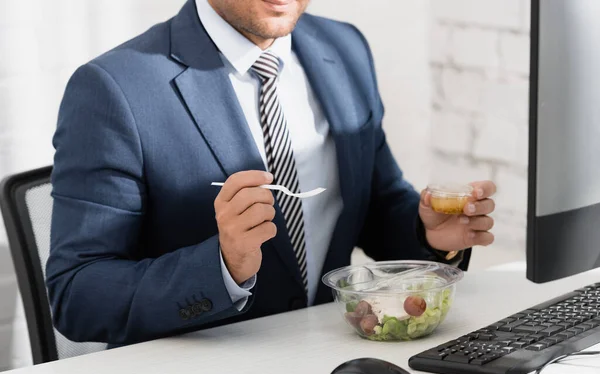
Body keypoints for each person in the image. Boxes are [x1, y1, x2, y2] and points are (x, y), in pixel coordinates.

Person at [47, 0, 496, 346]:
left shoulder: (345, 48)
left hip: (329, 358)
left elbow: (375, 204)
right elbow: (76, 294)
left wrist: (426, 234)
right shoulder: (115, 87)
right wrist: (222, 266)